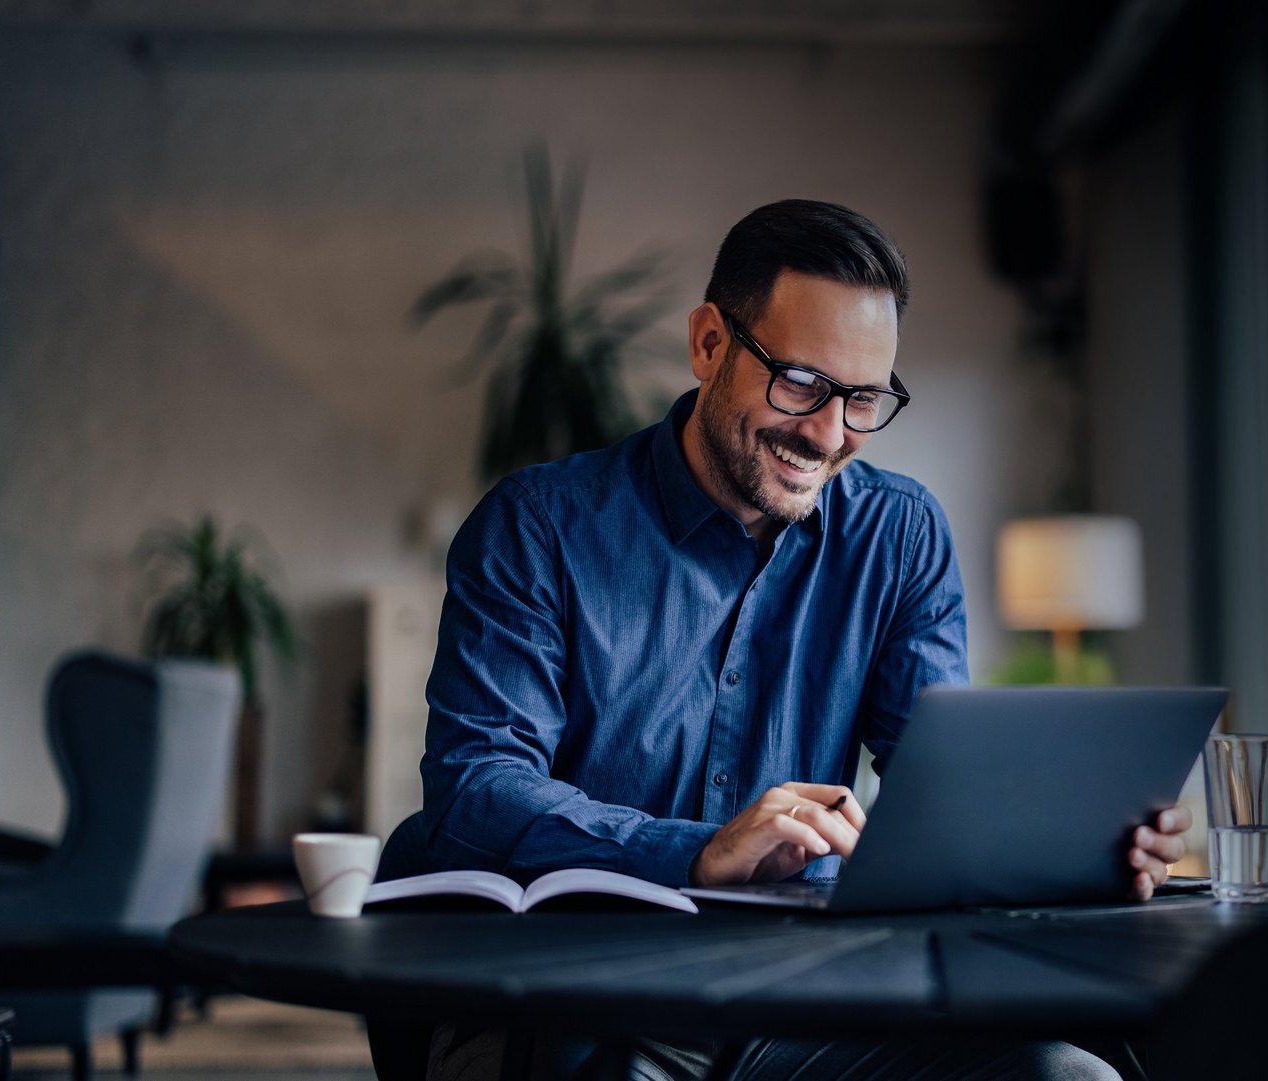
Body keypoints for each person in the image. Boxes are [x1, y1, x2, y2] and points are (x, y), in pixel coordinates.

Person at [414, 199, 1192, 1081]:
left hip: (808, 997)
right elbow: (473, 790)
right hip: (585, 991)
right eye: (799, 382)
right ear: (710, 343)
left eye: (863, 398)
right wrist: (697, 852)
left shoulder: (899, 537)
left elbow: (939, 800)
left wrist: (1072, 855)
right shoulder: (537, 528)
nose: (827, 434)